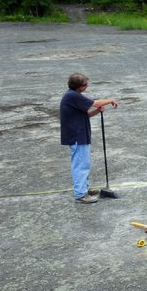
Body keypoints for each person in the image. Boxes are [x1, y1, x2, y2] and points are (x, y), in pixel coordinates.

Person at [59, 73, 118, 203]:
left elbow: (86, 114)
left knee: (84, 163)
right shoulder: (73, 96)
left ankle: (84, 188)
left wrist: (98, 111)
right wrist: (110, 100)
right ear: (79, 87)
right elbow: (95, 103)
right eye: (86, 84)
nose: (88, 86)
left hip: (80, 134)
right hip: (77, 135)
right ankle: (80, 194)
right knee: (81, 164)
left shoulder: (74, 96)